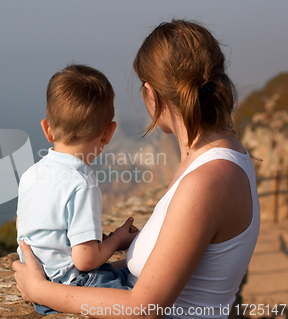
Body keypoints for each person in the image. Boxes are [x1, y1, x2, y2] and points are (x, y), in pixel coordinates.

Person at [13, 19, 261, 319]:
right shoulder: (214, 158)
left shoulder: (207, 180)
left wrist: (40, 290)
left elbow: (143, 309)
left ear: (151, 93)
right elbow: (169, 275)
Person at [16, 64, 139, 315]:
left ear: (47, 129)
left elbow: (26, 225)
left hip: (39, 280)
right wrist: (117, 240)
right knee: (148, 298)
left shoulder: (31, 175)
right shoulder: (82, 184)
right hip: (73, 285)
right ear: (109, 133)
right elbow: (85, 260)